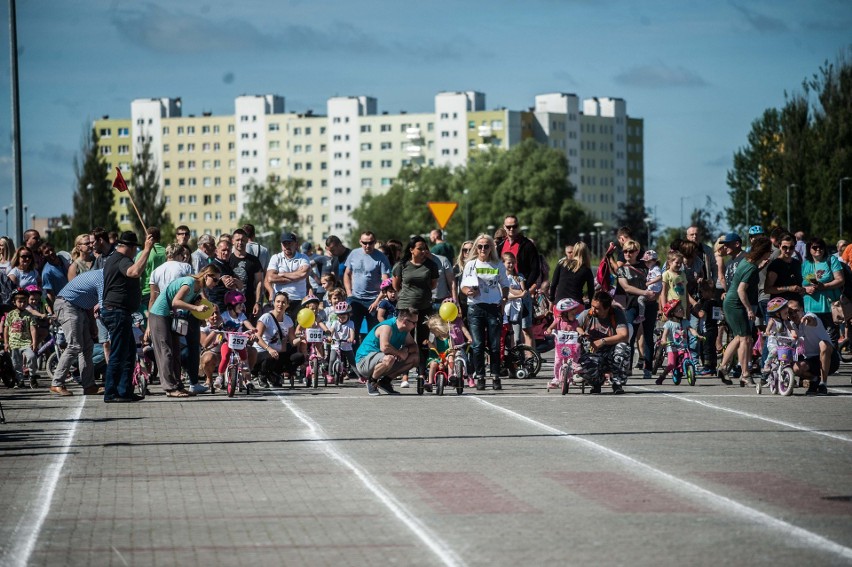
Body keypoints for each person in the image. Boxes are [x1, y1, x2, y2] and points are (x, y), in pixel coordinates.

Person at [148, 265, 221, 398]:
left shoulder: (198, 289)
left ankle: (178, 386)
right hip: (159, 314)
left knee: (176, 352)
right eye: (215, 280)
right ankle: (169, 388)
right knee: (166, 352)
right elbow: (176, 302)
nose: (216, 284)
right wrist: (195, 308)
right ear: (206, 276)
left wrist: (198, 308)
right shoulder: (190, 282)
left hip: (170, 316)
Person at [101, 230, 155, 403]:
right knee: (119, 353)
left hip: (120, 311)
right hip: (117, 311)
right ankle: (112, 392)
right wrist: (147, 250)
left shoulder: (114, 258)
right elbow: (134, 272)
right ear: (131, 248)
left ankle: (124, 390)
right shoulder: (121, 260)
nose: (136, 253)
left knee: (129, 351)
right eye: (136, 249)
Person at [719, 236, 772, 387]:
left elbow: (744, 276)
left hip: (731, 302)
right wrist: (749, 309)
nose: (769, 254)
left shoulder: (747, 261)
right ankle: (745, 375)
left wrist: (761, 266)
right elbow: (741, 290)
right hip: (736, 304)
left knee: (739, 337)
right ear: (763, 252)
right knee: (746, 339)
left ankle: (722, 367)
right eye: (768, 251)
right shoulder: (751, 267)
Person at [461, 233, 510, 390]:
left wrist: (503, 300)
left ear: (491, 248)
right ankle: (480, 376)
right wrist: (468, 291)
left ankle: (495, 376)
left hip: (493, 307)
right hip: (475, 307)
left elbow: (505, 284)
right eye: (480, 246)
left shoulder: (497, 265)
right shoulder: (471, 265)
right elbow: (463, 286)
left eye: (486, 246)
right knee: (478, 345)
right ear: (476, 248)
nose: (483, 249)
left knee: (495, 345)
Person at [392, 235, 439, 379]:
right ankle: (404, 373)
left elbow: (433, 284)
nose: (423, 251)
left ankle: (422, 372)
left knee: (423, 341)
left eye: (425, 248)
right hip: (406, 307)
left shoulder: (431, 265)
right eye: (420, 248)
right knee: (406, 340)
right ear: (412, 250)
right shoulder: (402, 265)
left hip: (424, 306)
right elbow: (396, 285)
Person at [495, 216, 540, 352]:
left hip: (521, 290)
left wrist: (526, 286)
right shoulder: (501, 245)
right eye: (508, 227)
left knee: (526, 328)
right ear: (504, 227)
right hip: (504, 291)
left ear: (518, 227)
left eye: (514, 226)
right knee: (506, 327)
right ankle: (510, 360)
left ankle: (529, 361)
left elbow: (535, 268)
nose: (511, 229)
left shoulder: (527, 245)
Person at [576, 291, 631, 394]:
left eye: (597, 308)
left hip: (611, 353)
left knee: (623, 348)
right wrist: (581, 332)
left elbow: (624, 335)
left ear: (607, 308)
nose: (593, 310)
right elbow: (573, 325)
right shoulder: (587, 315)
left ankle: (617, 383)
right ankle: (596, 383)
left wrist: (603, 341)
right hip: (593, 353)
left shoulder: (616, 314)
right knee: (583, 363)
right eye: (592, 306)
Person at [355, 308, 419, 396]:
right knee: (389, 358)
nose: (415, 326)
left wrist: (406, 349)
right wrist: (400, 353)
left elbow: (414, 347)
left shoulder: (405, 331)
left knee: (414, 358)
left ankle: (385, 382)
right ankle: (372, 381)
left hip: (383, 361)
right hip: (364, 361)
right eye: (414, 323)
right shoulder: (387, 327)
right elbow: (384, 347)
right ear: (405, 321)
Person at [252, 292, 305, 387]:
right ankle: (262, 374)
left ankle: (273, 373)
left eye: (283, 302)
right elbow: (257, 337)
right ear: (274, 303)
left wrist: (301, 338)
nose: (280, 305)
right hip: (262, 353)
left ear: (287, 305)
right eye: (278, 302)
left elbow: (292, 341)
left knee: (299, 357)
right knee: (270, 356)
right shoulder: (266, 317)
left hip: (277, 353)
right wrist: (269, 349)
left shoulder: (288, 320)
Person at [344, 231, 391, 338]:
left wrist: (377, 301)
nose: (367, 245)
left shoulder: (381, 257)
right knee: (352, 333)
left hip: (373, 300)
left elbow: (386, 282)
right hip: (355, 299)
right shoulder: (354, 254)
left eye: (370, 243)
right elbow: (347, 273)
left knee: (372, 334)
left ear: (374, 242)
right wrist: (349, 293)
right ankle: (354, 354)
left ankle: (370, 354)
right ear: (360, 242)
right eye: (365, 243)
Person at [787, 298, 836, 395]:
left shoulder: (810, 316)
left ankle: (823, 384)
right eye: (790, 312)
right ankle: (814, 380)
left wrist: (807, 319)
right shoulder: (790, 325)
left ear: (802, 309)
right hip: (810, 360)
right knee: (796, 369)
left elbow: (812, 320)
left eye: (796, 311)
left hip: (830, 359)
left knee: (824, 344)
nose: (793, 314)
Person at [801, 237, 844, 345]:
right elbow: (799, 284)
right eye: (814, 247)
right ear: (809, 249)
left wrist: (824, 286)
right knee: (813, 339)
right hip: (809, 308)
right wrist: (806, 289)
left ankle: (832, 360)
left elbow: (840, 280)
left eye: (821, 247)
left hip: (828, 308)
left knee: (831, 338)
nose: (818, 249)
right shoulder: (805, 264)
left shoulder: (831, 260)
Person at [656, 299, 703, 384]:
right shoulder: (669, 324)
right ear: (672, 313)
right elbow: (665, 335)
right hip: (672, 347)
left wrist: (697, 335)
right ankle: (662, 376)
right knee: (671, 364)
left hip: (683, 346)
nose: (682, 310)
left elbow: (691, 329)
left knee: (688, 357)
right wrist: (663, 340)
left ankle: (691, 372)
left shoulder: (685, 322)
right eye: (679, 309)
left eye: (681, 308)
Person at [267, 232, 310, 321]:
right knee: (281, 328)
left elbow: (303, 274)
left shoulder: (303, 257)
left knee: (298, 330)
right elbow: (271, 278)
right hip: (281, 300)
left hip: (299, 300)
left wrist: (282, 274)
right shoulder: (276, 258)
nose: (287, 246)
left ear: (296, 244)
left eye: (289, 243)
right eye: (284, 244)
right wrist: (295, 277)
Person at [4, 288, 38, 388]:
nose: (22, 304)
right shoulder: (10, 314)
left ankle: (32, 376)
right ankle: (20, 380)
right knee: (16, 363)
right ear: (14, 302)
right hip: (13, 343)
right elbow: (6, 329)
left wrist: (34, 342)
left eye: (24, 301)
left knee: (31, 357)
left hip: (26, 342)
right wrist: (6, 343)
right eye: (19, 301)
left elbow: (33, 329)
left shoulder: (29, 315)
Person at [546, 297, 583, 389]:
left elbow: (578, 328)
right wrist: (549, 330)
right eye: (573, 313)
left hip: (572, 345)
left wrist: (582, 333)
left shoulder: (575, 322)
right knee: (558, 362)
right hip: (560, 345)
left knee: (577, 347)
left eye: (575, 313)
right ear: (565, 313)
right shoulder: (558, 320)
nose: (575, 315)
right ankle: (556, 379)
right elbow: (550, 328)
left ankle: (573, 368)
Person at [760, 297, 798, 379]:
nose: (787, 315)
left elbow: (791, 328)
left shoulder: (786, 321)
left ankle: (789, 375)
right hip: (773, 342)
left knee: (789, 355)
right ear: (778, 314)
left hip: (783, 342)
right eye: (785, 313)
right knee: (774, 351)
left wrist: (794, 334)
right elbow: (768, 329)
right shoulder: (772, 320)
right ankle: (767, 364)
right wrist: (768, 332)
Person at [230, 228, 264, 318]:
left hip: (249, 305)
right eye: (237, 240)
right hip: (230, 306)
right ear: (232, 241)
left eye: (243, 240)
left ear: (247, 241)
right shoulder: (228, 259)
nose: (240, 242)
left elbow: (259, 282)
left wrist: (258, 302)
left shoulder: (254, 260)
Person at [549, 241, 594, 307]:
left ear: (574, 251)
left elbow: (553, 284)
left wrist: (551, 300)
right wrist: (590, 304)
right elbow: (591, 290)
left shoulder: (562, 263)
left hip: (559, 304)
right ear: (586, 253)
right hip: (576, 305)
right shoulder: (586, 270)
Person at [207, 238, 244, 313]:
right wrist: (234, 282)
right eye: (223, 250)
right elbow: (230, 285)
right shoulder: (214, 266)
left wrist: (235, 281)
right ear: (216, 251)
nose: (226, 253)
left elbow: (240, 285)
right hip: (217, 306)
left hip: (228, 306)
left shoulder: (227, 265)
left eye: (228, 250)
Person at [766, 233, 805, 303]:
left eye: (791, 248)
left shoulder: (797, 263)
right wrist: (788, 288)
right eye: (785, 247)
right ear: (779, 246)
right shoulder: (775, 264)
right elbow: (767, 289)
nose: (788, 250)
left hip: (797, 305)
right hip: (780, 306)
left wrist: (803, 289)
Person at [137, 227, 167, 313]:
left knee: (147, 322)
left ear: (147, 237)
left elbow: (137, 274)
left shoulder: (141, 254)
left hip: (146, 291)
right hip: (163, 292)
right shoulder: (167, 252)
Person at [695, 281, 722, 376]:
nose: (702, 294)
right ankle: (713, 366)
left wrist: (696, 309)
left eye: (703, 292)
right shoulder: (717, 302)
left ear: (709, 292)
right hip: (714, 328)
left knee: (705, 348)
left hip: (707, 329)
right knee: (712, 348)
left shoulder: (707, 303)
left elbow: (701, 314)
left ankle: (707, 367)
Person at [39, 243, 68, 313]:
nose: (51, 253)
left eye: (51, 249)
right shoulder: (47, 272)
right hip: (64, 303)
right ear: (42, 256)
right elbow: (50, 294)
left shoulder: (65, 259)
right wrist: (55, 310)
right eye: (47, 252)